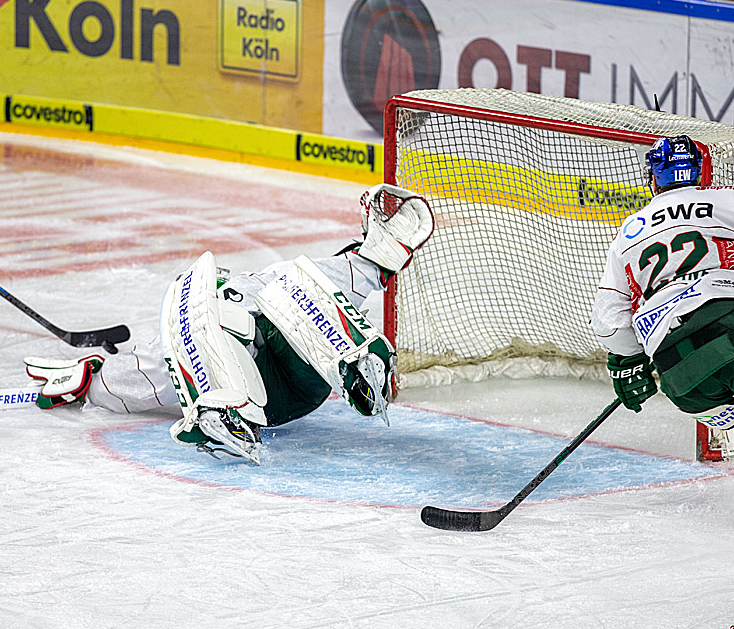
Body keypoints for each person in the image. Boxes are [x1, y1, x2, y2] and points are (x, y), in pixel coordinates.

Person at [23, 184, 436, 464]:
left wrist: (374, 259)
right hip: (272, 397)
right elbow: (142, 383)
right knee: (230, 315)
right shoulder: (196, 320)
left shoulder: (255, 285)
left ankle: (357, 361)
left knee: (291, 285)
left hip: (306, 363)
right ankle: (229, 413)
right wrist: (94, 381)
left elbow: (321, 286)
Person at [590, 135, 734, 510]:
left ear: (654, 179)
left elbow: (609, 322)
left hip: (677, 377)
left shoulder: (628, 232)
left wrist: (627, 361)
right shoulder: (730, 199)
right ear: (702, 170)